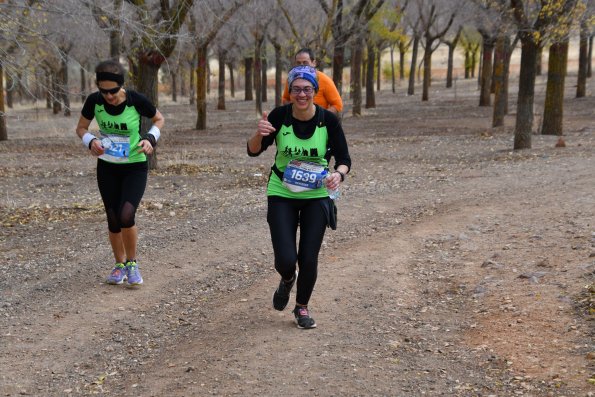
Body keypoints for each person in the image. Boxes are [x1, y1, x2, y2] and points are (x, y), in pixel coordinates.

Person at [248, 65, 351, 329]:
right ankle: (286, 279)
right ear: (290, 91)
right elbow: (253, 151)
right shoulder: (279, 116)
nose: (301, 94)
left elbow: (344, 159)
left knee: (308, 256)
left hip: (316, 194)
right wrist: (259, 133)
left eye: (307, 89)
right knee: (285, 259)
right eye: (296, 89)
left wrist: (338, 174)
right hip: (282, 191)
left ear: (315, 92)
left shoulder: (328, 121)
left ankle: (302, 307)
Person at [75, 59, 164, 287]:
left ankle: (132, 264)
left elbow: (159, 119)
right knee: (113, 217)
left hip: (134, 166)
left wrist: (150, 138)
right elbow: (81, 128)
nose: (109, 96)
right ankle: (119, 265)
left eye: (113, 91)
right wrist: (91, 141)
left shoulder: (136, 101)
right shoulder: (94, 102)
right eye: (103, 91)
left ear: (121, 85)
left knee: (126, 215)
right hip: (107, 167)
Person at [282, 48, 343, 115]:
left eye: (305, 63)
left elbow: (337, 105)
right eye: (298, 63)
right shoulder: (291, 79)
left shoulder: (325, 80)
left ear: (314, 63)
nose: (302, 66)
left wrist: (321, 117)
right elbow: (285, 99)